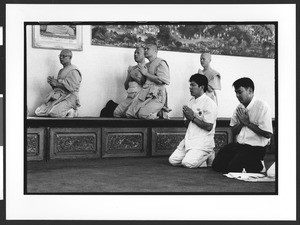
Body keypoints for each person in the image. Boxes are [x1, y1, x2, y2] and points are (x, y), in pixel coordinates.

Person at [212, 77, 273, 173]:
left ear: (250, 90)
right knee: (217, 165)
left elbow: (268, 134)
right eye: (236, 92)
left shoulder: (262, 106)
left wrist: (248, 123)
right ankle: (249, 165)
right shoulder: (239, 107)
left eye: (240, 92)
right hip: (240, 146)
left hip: (256, 148)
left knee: (233, 168)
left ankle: (258, 165)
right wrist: (241, 123)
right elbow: (234, 131)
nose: (237, 95)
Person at [169, 74, 218, 168]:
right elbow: (188, 125)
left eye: (193, 85)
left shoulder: (210, 103)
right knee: (173, 160)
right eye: (190, 85)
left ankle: (209, 152)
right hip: (190, 139)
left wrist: (192, 117)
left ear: (201, 87)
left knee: (187, 163)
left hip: (203, 141)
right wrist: (187, 118)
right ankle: (198, 158)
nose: (190, 88)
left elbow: (209, 127)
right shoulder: (191, 101)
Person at [125, 43, 170, 119]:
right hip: (144, 94)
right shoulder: (147, 65)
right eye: (145, 49)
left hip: (157, 96)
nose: (145, 50)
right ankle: (156, 112)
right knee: (129, 113)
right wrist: (134, 75)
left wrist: (146, 73)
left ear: (155, 51)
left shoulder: (161, 63)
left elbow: (162, 81)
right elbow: (143, 82)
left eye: (147, 49)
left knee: (142, 114)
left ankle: (161, 113)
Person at [35, 49, 82, 117]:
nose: (61, 58)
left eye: (64, 56)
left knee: (53, 113)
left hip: (69, 97)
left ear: (70, 58)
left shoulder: (74, 71)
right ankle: (63, 111)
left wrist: (57, 84)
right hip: (59, 97)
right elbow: (59, 88)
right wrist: (52, 83)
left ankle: (72, 111)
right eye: (60, 56)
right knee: (38, 111)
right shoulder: (61, 71)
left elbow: (73, 88)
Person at [113, 47, 147, 117]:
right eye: (134, 53)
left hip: (139, 98)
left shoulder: (147, 67)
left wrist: (134, 76)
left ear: (144, 55)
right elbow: (126, 86)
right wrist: (129, 75)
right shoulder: (132, 68)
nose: (135, 54)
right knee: (116, 113)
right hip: (130, 96)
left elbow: (146, 85)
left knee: (128, 114)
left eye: (138, 53)